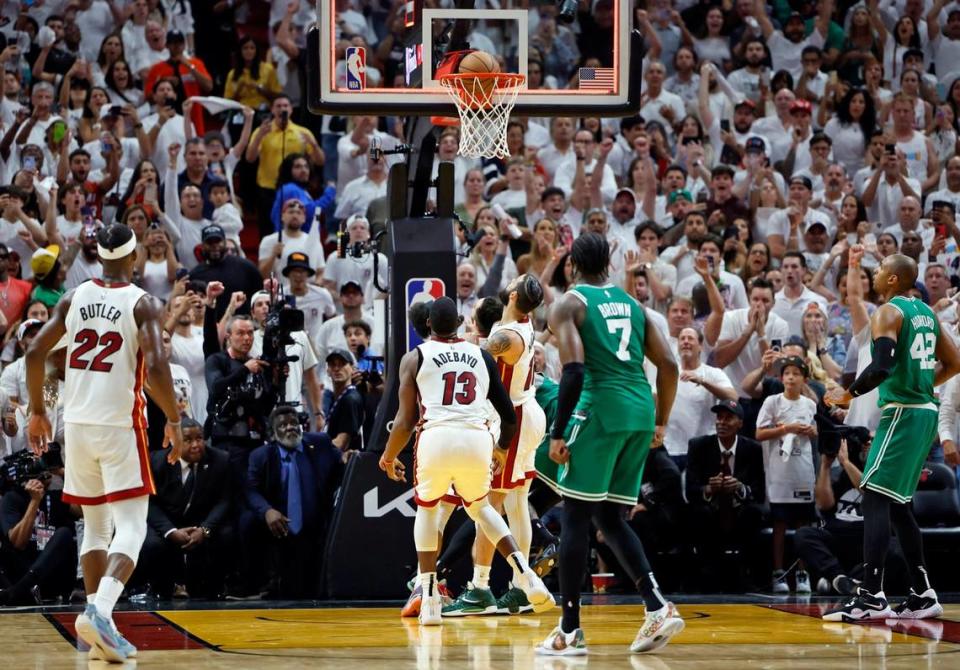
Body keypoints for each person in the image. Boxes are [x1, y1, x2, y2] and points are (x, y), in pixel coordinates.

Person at [24, 223, 182, 662]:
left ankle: (99, 628)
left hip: (75, 424)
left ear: (100, 256)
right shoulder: (143, 303)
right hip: (119, 425)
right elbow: (155, 369)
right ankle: (101, 610)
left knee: (95, 527)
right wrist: (174, 418)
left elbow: (35, 352)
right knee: (131, 526)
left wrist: (38, 410)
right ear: (133, 259)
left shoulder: (74, 298)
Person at [535, 233, 682, 656]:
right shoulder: (634, 305)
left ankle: (569, 630)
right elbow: (669, 365)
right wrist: (661, 421)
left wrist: (559, 431)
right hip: (638, 411)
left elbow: (575, 371)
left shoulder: (570, 303)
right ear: (610, 263)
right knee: (610, 518)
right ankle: (657, 605)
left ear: (571, 266)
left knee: (576, 518)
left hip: (599, 409)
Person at [378, 297, 554, 626]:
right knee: (483, 509)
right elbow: (507, 416)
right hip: (476, 439)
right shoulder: (482, 355)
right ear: (460, 323)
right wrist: (501, 449)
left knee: (429, 510)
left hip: (437, 437)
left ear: (427, 325)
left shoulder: (415, 357)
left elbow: (404, 421)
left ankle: (428, 597)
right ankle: (526, 575)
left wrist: (388, 456)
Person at [824, 253, 960, 621]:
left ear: (891, 281)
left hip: (901, 413)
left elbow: (881, 366)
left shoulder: (889, 312)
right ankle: (923, 592)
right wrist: (919, 384)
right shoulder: (927, 314)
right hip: (924, 412)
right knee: (898, 505)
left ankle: (870, 595)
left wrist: (847, 393)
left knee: (872, 496)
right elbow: (956, 362)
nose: (877, 270)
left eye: (882, 267)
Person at [443, 274, 547, 617]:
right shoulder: (518, 322)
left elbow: (473, 355)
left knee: (488, 506)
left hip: (511, 419)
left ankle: (481, 588)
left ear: (514, 294)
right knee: (516, 504)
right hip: (525, 413)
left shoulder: (507, 335)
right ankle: (519, 590)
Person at [139, 417, 232, 598]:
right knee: (151, 543)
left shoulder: (220, 459)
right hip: (166, 521)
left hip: (200, 521)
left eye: (199, 439)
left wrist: (204, 529)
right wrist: (170, 530)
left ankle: (214, 588)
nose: (196, 445)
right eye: (188, 440)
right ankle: (157, 588)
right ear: (175, 441)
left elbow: (224, 500)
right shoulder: (156, 461)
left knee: (227, 534)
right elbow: (149, 502)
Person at [754, 355, 818, 594]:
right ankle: (778, 572)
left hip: (802, 470)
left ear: (804, 379)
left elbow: (816, 431)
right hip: (779, 471)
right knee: (779, 524)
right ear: (781, 378)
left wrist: (811, 431)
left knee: (803, 525)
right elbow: (759, 433)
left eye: (796, 373)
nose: (790, 377)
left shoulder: (810, 405)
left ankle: (803, 572)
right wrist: (786, 429)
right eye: (787, 373)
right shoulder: (772, 402)